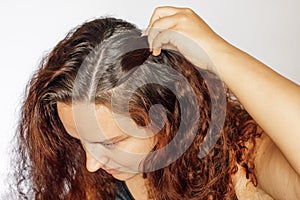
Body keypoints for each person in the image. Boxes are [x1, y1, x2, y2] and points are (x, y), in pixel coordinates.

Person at [12, 6, 299, 200]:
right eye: (81, 140)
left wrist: (217, 52)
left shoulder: (242, 155)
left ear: (162, 115)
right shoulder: (102, 180)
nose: (90, 164)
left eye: (111, 142)